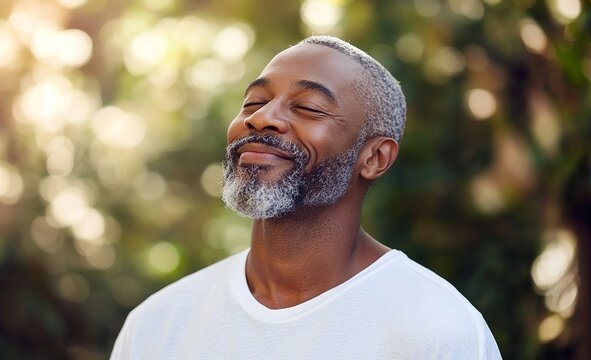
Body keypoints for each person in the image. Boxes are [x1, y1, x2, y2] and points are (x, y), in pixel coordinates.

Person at [111, 35, 502, 359]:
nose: (261, 118)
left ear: (374, 157)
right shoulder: (157, 325)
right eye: (253, 102)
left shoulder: (437, 330)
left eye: (309, 108)